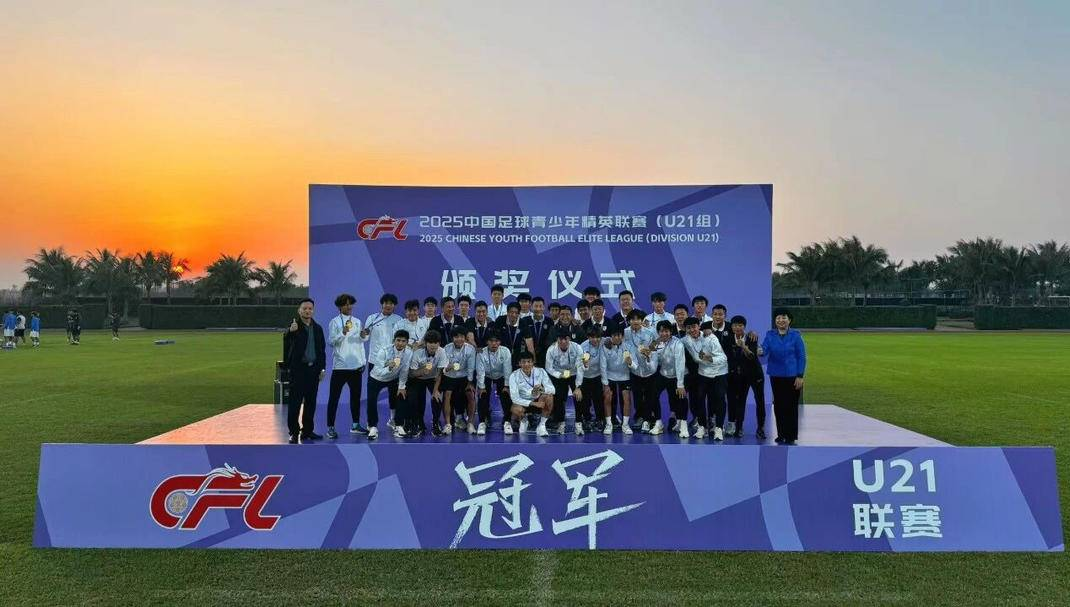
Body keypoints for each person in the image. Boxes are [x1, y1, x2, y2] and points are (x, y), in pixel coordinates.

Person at [283, 298, 327, 443]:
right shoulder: (294, 326)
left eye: (310, 308)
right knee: (295, 404)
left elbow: (321, 351)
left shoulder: (318, 328)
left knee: (311, 403)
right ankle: (293, 432)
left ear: (313, 311)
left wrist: (322, 368)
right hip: (298, 371)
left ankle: (307, 431)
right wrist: (290, 331)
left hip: (313, 371)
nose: (307, 311)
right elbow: (286, 339)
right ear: (299, 310)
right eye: (304, 308)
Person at [763, 309, 806, 445]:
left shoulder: (796, 335)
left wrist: (800, 376)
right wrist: (758, 350)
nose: (781, 320)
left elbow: (801, 356)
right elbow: (764, 349)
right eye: (778, 318)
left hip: (793, 376)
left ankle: (791, 435)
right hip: (776, 375)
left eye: (784, 318)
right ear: (775, 321)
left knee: (791, 406)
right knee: (779, 405)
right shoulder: (770, 335)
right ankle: (781, 434)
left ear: (789, 320)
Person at [326, 294, 366, 438]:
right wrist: (342, 333)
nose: (349, 307)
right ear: (339, 306)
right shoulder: (335, 322)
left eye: (350, 304)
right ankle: (330, 427)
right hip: (340, 367)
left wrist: (363, 336)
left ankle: (355, 425)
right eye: (346, 304)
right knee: (334, 398)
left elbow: (360, 343)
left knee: (355, 398)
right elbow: (331, 342)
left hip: (355, 367)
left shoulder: (357, 321)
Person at [681, 316, 728, 440]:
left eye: (694, 327)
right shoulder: (685, 340)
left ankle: (719, 428)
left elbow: (723, 358)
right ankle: (702, 426)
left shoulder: (710, 337)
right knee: (699, 399)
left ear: (699, 326)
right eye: (689, 328)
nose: (692, 330)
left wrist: (710, 358)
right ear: (686, 329)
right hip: (703, 373)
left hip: (719, 372)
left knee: (719, 399)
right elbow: (672, 341)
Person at [397, 329, 447, 438]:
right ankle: (417, 424)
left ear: (439, 343)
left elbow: (439, 373)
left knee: (437, 398)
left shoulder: (442, 352)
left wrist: (435, 391)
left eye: (435, 343)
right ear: (426, 343)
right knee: (413, 399)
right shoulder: (417, 353)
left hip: (433, 378)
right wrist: (421, 371)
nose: (433, 345)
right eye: (430, 343)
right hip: (417, 378)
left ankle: (436, 424)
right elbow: (411, 373)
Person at [363, 293, 402, 429]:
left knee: (393, 393)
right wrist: (363, 334)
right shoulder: (372, 318)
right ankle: (371, 423)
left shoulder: (398, 320)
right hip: (375, 361)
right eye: (386, 303)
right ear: (382, 304)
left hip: (393, 362)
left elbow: (401, 341)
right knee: (372, 396)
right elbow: (365, 338)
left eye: (391, 303)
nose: (388, 305)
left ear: (394, 306)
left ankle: (393, 419)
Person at [366, 329, 412, 440]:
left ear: (407, 342)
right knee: (371, 400)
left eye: (403, 341)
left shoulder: (408, 353)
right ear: (393, 341)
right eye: (398, 340)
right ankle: (372, 426)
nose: (400, 343)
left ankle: (398, 424)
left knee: (401, 395)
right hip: (376, 378)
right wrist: (389, 368)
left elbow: (404, 370)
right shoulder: (384, 351)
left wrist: (401, 387)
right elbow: (378, 370)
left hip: (393, 379)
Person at [726, 315, 767, 439]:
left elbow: (752, 357)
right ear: (731, 327)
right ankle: (739, 428)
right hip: (740, 376)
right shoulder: (728, 338)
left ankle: (760, 428)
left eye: (740, 325)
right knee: (740, 401)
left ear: (744, 326)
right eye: (735, 325)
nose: (737, 328)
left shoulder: (751, 337)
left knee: (760, 401)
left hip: (755, 374)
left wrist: (743, 346)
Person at [651, 321, 689, 438]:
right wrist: (649, 355)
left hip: (679, 375)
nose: (664, 333)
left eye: (667, 331)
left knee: (681, 398)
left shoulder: (678, 344)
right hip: (664, 374)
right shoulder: (655, 343)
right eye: (661, 331)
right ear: (658, 332)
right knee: (652, 394)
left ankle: (683, 425)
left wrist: (680, 385)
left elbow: (680, 364)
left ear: (671, 332)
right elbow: (655, 361)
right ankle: (658, 423)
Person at [545, 328, 585, 434]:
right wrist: (559, 375)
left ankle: (579, 423)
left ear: (569, 339)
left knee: (578, 397)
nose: (563, 341)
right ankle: (561, 423)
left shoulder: (577, 348)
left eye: (566, 339)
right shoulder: (551, 350)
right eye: (560, 339)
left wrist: (578, 387)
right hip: (559, 374)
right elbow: (549, 368)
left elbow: (580, 367)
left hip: (574, 373)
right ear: (557, 339)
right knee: (558, 398)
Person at [507, 351, 555, 437]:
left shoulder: (541, 371)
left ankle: (542, 425)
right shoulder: (513, 376)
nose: (526, 364)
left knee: (549, 397)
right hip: (523, 402)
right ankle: (524, 420)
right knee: (516, 409)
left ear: (533, 362)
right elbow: (514, 398)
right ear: (519, 363)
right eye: (523, 362)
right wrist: (533, 403)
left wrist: (543, 389)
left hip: (538, 400)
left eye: (529, 361)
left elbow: (552, 389)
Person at [624, 309, 657, 431]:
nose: (635, 321)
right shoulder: (625, 333)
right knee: (637, 396)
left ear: (642, 320)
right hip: (634, 370)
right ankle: (640, 417)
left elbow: (655, 349)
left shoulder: (650, 332)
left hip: (649, 369)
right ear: (629, 321)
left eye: (638, 319)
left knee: (649, 396)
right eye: (632, 319)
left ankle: (648, 419)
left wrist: (649, 358)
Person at [440, 327, 477, 434]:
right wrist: (447, 368)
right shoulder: (446, 348)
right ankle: (448, 424)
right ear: (452, 338)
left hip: (465, 377)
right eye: (456, 337)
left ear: (465, 338)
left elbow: (471, 368)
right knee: (447, 395)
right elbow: (443, 368)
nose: (459, 339)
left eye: (461, 337)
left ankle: (470, 423)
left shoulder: (470, 349)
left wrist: (470, 383)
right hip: (449, 376)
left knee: (471, 394)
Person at [475, 330, 511, 435]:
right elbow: (480, 371)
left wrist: (506, 385)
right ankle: (482, 421)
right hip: (486, 375)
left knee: (506, 394)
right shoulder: (481, 352)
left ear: (500, 342)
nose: (494, 344)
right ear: (487, 342)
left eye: (497, 341)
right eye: (491, 341)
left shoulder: (505, 351)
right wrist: (481, 387)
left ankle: (507, 421)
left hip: (501, 375)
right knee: (482, 395)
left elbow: (507, 369)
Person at [600, 326, 634, 435]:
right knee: (608, 398)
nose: (617, 338)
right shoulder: (605, 346)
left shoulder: (628, 347)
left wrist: (630, 363)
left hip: (625, 376)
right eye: (614, 335)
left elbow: (636, 365)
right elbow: (603, 366)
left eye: (619, 335)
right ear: (611, 336)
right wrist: (605, 384)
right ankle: (609, 424)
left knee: (626, 399)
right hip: (610, 376)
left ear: (622, 336)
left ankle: (625, 425)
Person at [577, 327, 605, 434]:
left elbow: (611, 339)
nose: (595, 340)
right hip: (585, 377)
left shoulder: (603, 342)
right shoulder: (582, 347)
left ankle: (600, 419)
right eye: (592, 337)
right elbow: (579, 365)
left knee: (599, 399)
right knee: (585, 400)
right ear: (588, 337)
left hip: (598, 376)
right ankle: (587, 419)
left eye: (598, 337)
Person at [521, 297, 553, 368]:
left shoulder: (549, 321)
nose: (538, 309)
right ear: (531, 307)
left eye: (540, 306)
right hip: (528, 356)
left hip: (545, 356)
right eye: (536, 306)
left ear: (544, 307)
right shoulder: (525, 320)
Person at [495, 302, 526, 370]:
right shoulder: (500, 320)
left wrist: (533, 362)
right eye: (511, 312)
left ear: (519, 314)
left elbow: (529, 342)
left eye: (516, 313)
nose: (513, 315)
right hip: (501, 354)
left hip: (517, 354)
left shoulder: (523, 323)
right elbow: (494, 338)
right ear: (507, 312)